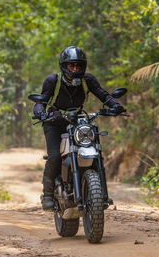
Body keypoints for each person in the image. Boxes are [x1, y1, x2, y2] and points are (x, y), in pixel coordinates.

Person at [33, 46, 125, 211]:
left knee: (95, 150)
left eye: (79, 66)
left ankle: (100, 193)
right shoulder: (52, 80)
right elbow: (40, 102)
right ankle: (47, 195)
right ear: (64, 65)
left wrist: (115, 105)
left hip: (78, 121)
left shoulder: (88, 80)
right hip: (55, 122)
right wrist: (41, 114)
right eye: (71, 65)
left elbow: (103, 95)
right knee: (54, 156)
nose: (75, 69)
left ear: (84, 66)